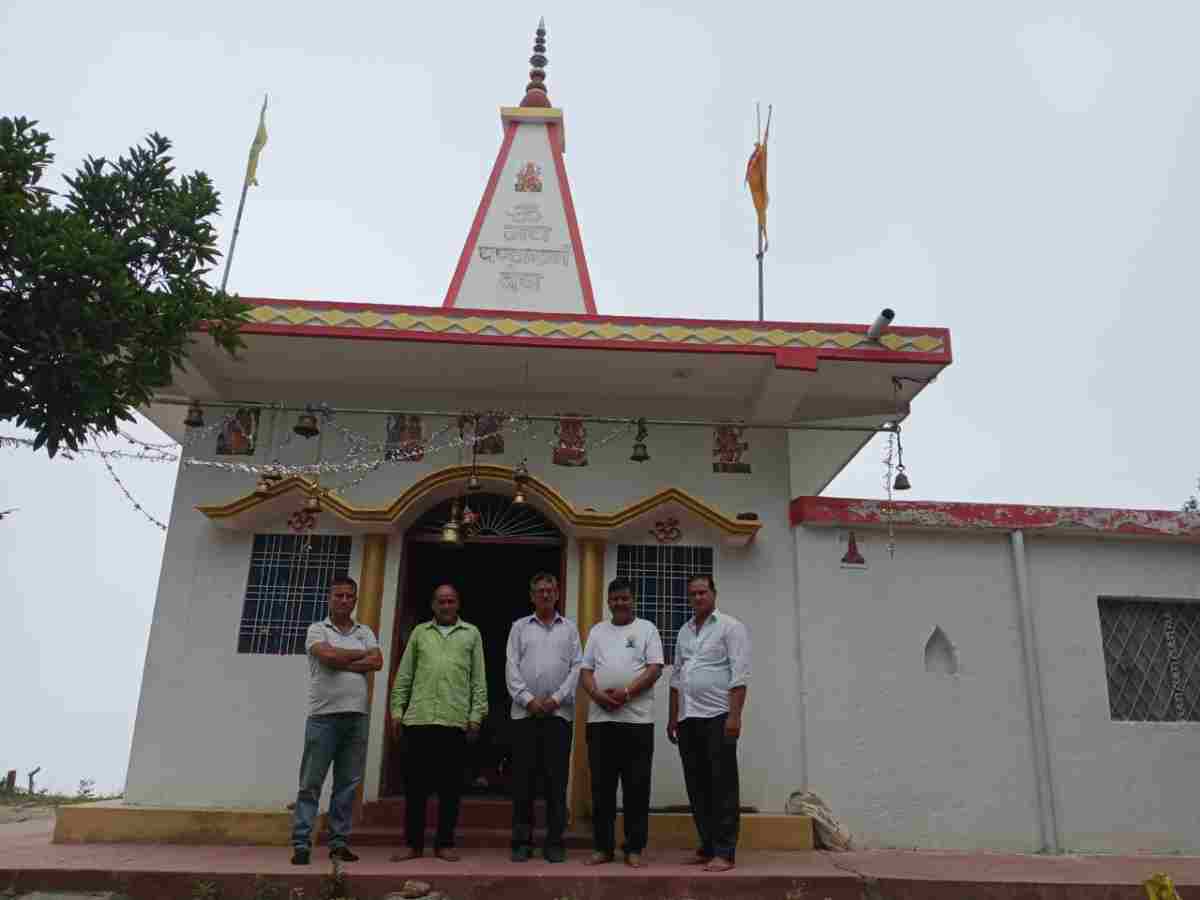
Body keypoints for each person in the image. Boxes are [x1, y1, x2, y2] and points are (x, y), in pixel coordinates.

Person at [389, 583, 487, 862]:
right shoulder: (420, 633)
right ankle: (413, 845)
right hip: (418, 719)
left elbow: (478, 680)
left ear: (458, 604)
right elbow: (404, 676)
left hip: (454, 720)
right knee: (416, 788)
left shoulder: (472, 634)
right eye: (441, 601)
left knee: (450, 789)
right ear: (433, 605)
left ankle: (444, 843)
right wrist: (397, 711)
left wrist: (475, 716)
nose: (446, 606)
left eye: (451, 601)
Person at [290, 574, 383, 865]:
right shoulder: (317, 629)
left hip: (357, 718)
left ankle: (338, 843)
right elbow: (326, 657)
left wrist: (343, 657)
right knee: (311, 782)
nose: (344, 600)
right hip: (323, 717)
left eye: (349, 596)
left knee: (346, 785)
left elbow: (377, 661)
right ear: (329, 598)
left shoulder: (364, 630)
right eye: (338, 595)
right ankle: (302, 843)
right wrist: (358, 657)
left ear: (355, 600)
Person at [667, 574, 751, 872]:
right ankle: (707, 845)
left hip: (718, 717)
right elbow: (676, 677)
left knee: (723, 785)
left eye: (703, 592)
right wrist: (672, 717)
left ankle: (725, 852)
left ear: (714, 594)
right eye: (693, 594)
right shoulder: (684, 632)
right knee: (697, 785)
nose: (698, 598)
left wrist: (735, 715)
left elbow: (739, 674)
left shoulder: (730, 627)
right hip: (689, 719)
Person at [579, 577, 664, 868]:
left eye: (624, 598)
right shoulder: (597, 632)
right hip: (601, 721)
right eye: (614, 599)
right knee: (602, 788)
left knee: (636, 787)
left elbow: (655, 669)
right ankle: (603, 848)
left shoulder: (646, 629)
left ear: (633, 599)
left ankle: (634, 848)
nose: (619, 603)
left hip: (638, 722)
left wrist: (627, 693)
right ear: (608, 601)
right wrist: (597, 695)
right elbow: (586, 671)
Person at [505, 572, 582, 863]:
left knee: (555, 782)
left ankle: (554, 842)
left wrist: (555, 700)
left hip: (558, 716)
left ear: (558, 593)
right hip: (524, 716)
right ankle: (521, 842)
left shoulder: (570, 629)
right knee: (523, 781)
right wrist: (528, 699)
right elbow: (511, 667)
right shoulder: (519, 628)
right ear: (532, 595)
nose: (546, 595)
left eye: (550, 590)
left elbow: (577, 667)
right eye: (540, 591)